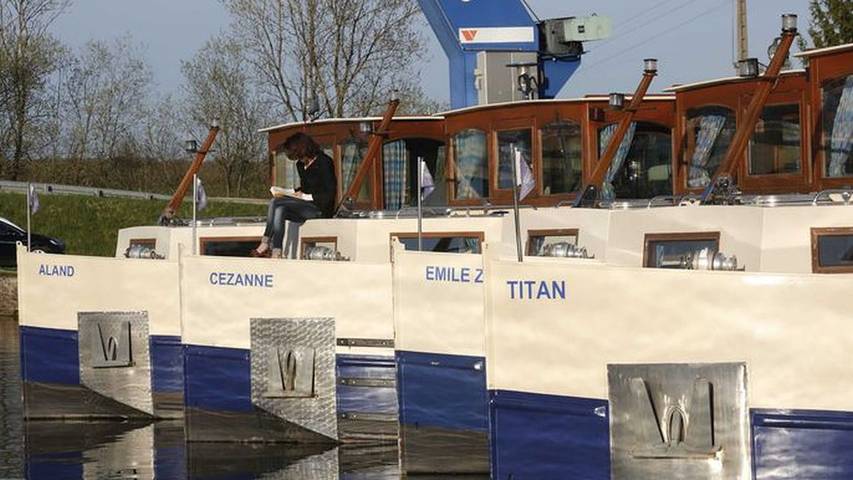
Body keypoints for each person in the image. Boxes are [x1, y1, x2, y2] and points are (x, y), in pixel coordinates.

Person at [251, 132, 337, 258]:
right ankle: (277, 251)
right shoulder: (301, 165)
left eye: (299, 157)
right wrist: (291, 192)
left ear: (304, 149)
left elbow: (329, 193)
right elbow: (306, 187)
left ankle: (264, 243)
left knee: (275, 202)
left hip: (320, 208)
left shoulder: (325, 162)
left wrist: (305, 197)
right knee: (280, 208)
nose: (299, 160)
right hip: (305, 206)